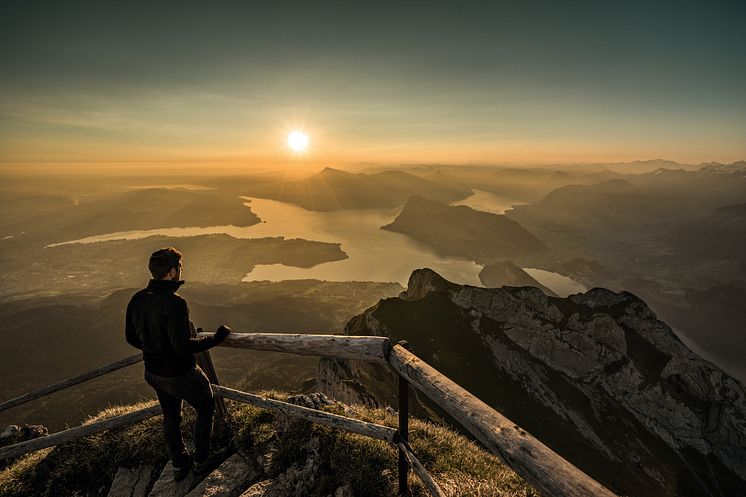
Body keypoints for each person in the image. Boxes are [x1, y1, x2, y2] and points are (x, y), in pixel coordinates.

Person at [125, 247, 231, 481]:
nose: (181, 270)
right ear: (173, 271)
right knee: (206, 408)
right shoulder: (175, 303)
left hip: (153, 372)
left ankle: (179, 463)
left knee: (171, 416)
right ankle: (202, 462)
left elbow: (131, 338)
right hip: (180, 373)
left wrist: (154, 349)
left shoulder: (138, 299)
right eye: (179, 267)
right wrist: (217, 338)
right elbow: (182, 346)